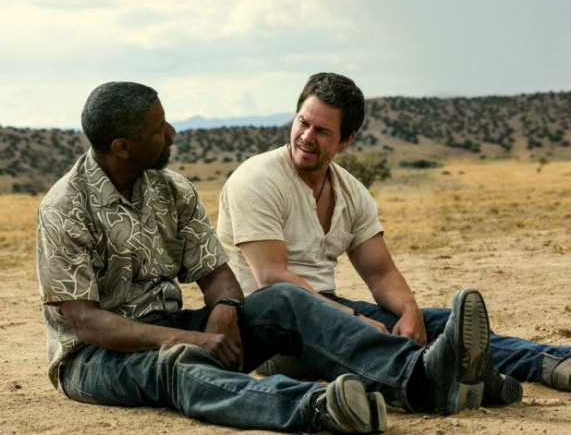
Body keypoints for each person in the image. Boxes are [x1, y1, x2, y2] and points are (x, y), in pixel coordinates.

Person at [36, 81, 508, 433]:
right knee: (177, 362)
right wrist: (190, 338)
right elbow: (86, 322)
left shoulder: (171, 189)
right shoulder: (65, 207)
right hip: (95, 359)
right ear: (122, 147)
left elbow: (216, 272)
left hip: (176, 326)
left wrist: (224, 308)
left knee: (284, 300)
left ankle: (418, 377)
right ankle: (318, 408)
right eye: (158, 129)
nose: (172, 132)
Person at [217, 72, 571, 401]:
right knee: (379, 334)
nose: (307, 137)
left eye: (322, 131)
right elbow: (272, 278)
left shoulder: (350, 192)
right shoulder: (258, 178)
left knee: (439, 324)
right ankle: (446, 379)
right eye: (303, 123)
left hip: (330, 308)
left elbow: (381, 273)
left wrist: (410, 312)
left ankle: (552, 363)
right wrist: (354, 319)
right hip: (272, 331)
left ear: (346, 140)